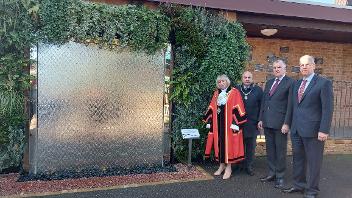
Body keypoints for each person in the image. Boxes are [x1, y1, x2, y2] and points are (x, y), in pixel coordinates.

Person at [282, 55, 333, 198]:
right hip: (297, 129)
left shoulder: (323, 83)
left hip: (314, 131)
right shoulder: (296, 84)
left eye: (307, 64)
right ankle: (299, 185)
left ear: (313, 66)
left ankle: (312, 190)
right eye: (301, 65)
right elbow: (291, 106)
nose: (304, 67)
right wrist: (287, 123)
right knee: (298, 159)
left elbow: (327, 109)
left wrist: (324, 130)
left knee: (314, 162)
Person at [258, 60, 294, 189]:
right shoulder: (269, 82)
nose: (277, 69)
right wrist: (261, 118)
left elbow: (290, 105)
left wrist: (287, 123)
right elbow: (265, 101)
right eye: (274, 67)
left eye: (279, 67)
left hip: (280, 124)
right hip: (267, 122)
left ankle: (280, 176)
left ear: (285, 68)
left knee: (280, 151)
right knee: (271, 150)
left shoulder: (290, 83)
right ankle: (271, 173)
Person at [204, 74, 247, 180]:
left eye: (223, 81)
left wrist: (235, 123)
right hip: (218, 125)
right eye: (219, 82)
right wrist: (209, 120)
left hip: (229, 125)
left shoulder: (234, 92)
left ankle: (229, 168)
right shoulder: (216, 94)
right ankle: (221, 165)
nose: (221, 83)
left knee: (229, 146)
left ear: (227, 82)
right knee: (219, 145)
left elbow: (239, 107)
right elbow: (212, 107)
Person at [236, 71, 263, 176]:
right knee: (239, 146)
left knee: (251, 147)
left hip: (253, 123)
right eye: (245, 77)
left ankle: (249, 166)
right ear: (242, 78)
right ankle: (239, 165)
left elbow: (262, 106)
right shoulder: (237, 90)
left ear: (252, 79)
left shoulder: (258, 90)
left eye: (249, 77)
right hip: (239, 123)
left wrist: (260, 119)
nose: (247, 79)